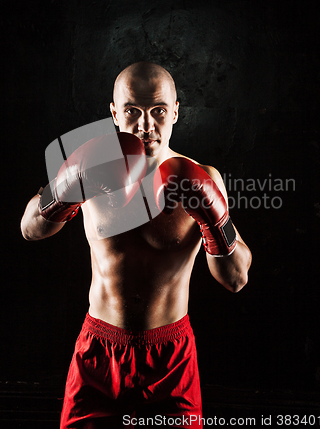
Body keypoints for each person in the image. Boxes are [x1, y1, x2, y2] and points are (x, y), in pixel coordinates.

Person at [21, 62, 252, 428]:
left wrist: (215, 219)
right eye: (132, 111)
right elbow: (30, 230)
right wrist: (62, 191)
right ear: (114, 114)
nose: (146, 125)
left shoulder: (205, 178)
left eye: (158, 111)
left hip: (170, 360)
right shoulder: (91, 168)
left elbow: (236, 279)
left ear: (176, 111)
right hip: (98, 355)